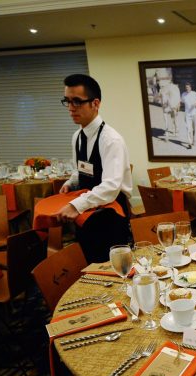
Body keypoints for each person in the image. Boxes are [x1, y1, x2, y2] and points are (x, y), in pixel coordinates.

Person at [57, 73, 133, 262]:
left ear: (95, 103)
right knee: (89, 263)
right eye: (67, 101)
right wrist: (71, 182)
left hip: (111, 218)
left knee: (112, 271)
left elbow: (111, 187)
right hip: (87, 215)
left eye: (77, 101)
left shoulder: (111, 140)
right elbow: (80, 169)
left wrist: (76, 204)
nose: (71, 108)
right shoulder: (77, 136)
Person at [181, 82, 196, 149]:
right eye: (186, 87)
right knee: (188, 128)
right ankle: (190, 143)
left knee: (195, 128)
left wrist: (195, 104)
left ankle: (194, 140)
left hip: (194, 113)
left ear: (190, 87)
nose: (187, 88)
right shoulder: (183, 94)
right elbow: (181, 102)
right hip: (187, 114)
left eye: (188, 87)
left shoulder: (194, 93)